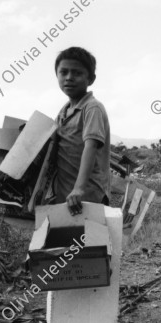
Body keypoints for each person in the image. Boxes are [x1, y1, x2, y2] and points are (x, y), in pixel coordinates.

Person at [53, 47, 111, 216]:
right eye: (63, 72)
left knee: (89, 241)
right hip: (66, 196)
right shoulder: (63, 112)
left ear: (90, 79)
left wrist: (79, 188)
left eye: (77, 73)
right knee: (65, 242)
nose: (69, 77)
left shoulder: (92, 108)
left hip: (88, 197)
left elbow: (90, 146)